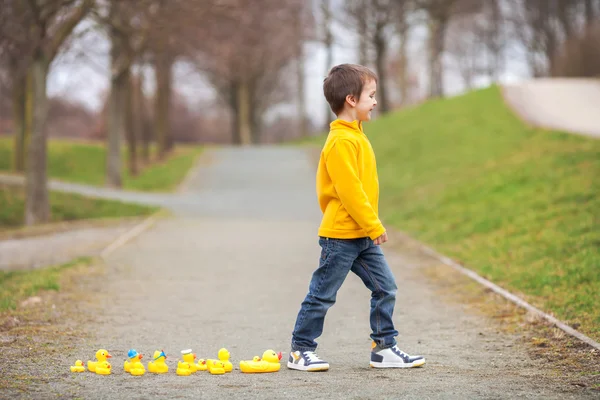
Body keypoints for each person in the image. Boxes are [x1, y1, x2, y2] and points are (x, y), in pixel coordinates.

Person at [287, 64, 425, 372]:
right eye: (371, 96)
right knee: (322, 294)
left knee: (385, 287)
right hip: (341, 237)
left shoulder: (357, 137)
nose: (375, 102)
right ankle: (301, 350)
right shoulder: (341, 142)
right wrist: (374, 224)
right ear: (351, 99)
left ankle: (384, 348)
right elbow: (350, 192)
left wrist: (368, 227)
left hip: (360, 235)